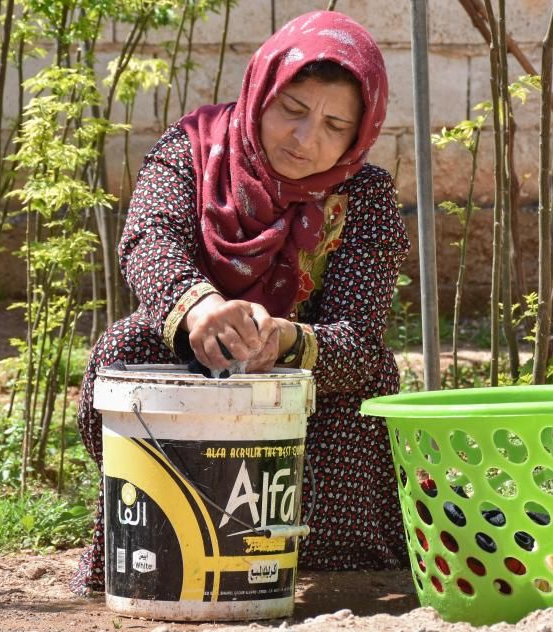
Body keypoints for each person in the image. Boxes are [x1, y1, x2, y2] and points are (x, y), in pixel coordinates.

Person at [71, 10, 408, 595]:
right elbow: (150, 236)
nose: (307, 140)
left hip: (308, 373)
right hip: (191, 351)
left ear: (360, 133)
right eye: (293, 111)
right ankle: (156, 540)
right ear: (261, 93)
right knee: (124, 346)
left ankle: (337, 570)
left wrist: (279, 339)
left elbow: (356, 335)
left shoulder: (366, 197)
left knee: (371, 376)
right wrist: (200, 310)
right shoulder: (195, 149)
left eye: (335, 125)